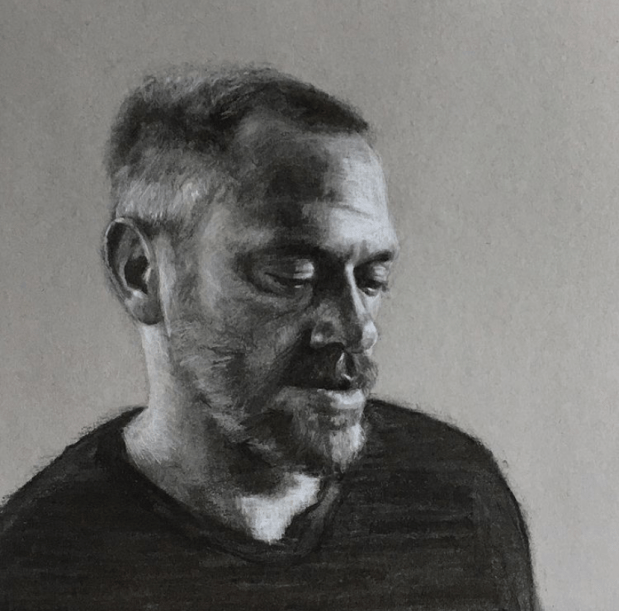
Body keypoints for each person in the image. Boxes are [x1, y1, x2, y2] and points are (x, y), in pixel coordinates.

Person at [0, 64, 538, 610]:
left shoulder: (459, 502)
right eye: (291, 275)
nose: (357, 328)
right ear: (141, 272)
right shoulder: (36, 565)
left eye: (372, 279)